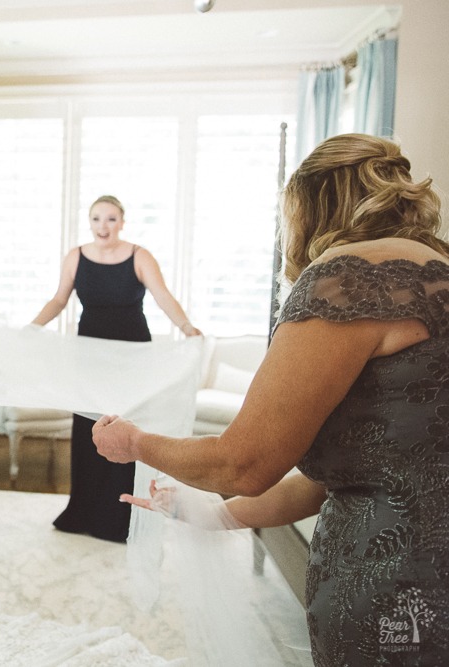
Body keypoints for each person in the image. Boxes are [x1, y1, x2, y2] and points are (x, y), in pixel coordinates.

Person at [95, 134, 449, 665]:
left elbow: (245, 462)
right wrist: (212, 514)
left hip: (396, 582)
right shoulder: (437, 273)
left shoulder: (345, 280)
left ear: (309, 204)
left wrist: (135, 442)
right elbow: (330, 481)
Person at [31, 194, 201, 542]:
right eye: (96, 219)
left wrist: (186, 327)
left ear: (122, 222)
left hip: (131, 358)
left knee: (126, 430)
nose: (103, 226)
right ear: (89, 222)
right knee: (90, 429)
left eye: (110, 219)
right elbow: (59, 299)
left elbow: (163, 296)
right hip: (90, 357)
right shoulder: (75, 257)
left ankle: (118, 516)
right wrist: (32, 327)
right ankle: (83, 512)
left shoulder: (140, 256)